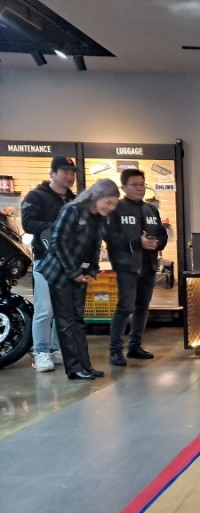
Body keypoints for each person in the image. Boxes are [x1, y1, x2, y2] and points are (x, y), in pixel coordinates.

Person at [35, 179, 120, 380]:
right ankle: (74, 368)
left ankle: (85, 365)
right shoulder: (72, 210)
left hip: (79, 274)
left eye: (114, 205)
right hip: (59, 272)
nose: (110, 208)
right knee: (66, 321)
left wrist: (91, 270)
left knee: (78, 320)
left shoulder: (99, 218)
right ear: (96, 196)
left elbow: (95, 246)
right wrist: (73, 272)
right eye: (108, 202)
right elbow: (58, 242)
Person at [104, 169, 168, 366]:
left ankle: (135, 346)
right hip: (127, 266)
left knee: (142, 307)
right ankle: (115, 351)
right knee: (125, 307)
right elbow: (109, 236)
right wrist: (136, 242)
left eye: (142, 185)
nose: (140, 188)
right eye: (135, 185)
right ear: (124, 187)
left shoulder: (151, 210)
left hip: (148, 265)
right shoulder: (116, 208)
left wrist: (157, 244)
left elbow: (161, 234)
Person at [20, 156, 77, 372]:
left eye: (72, 173)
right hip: (45, 260)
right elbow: (28, 223)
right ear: (52, 173)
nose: (69, 177)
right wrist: (56, 227)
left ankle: (55, 349)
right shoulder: (36, 196)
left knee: (63, 309)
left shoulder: (73, 200)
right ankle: (41, 352)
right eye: (65, 172)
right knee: (44, 309)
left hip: (68, 261)